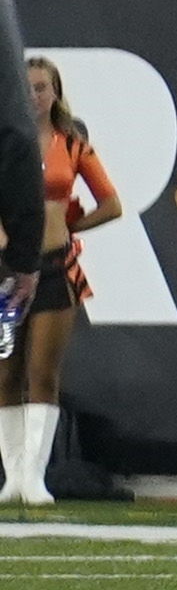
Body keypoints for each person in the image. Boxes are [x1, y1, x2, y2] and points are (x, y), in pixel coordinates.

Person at [8, 39, 113, 505]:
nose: (32, 96)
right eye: (25, 88)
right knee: (5, 374)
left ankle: (34, 477)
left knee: (42, 374)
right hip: (7, 270)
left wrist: (70, 224)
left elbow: (111, 203)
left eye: (41, 88)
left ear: (55, 93)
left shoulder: (73, 144)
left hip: (55, 267)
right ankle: (11, 477)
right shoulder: (4, 143)